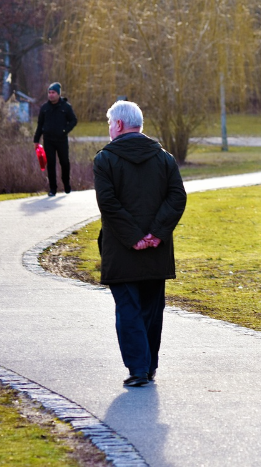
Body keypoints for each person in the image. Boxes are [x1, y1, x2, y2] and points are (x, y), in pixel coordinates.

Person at [93, 101, 187, 387]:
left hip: (121, 250)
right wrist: (156, 234)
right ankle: (148, 366)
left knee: (128, 310)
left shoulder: (105, 159)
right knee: (151, 309)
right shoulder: (164, 158)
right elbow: (177, 197)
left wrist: (135, 237)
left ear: (119, 125)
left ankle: (138, 368)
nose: (109, 128)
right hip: (157, 251)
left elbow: (108, 203)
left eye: (110, 123)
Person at [34, 82, 78, 196]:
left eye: (53, 92)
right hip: (48, 140)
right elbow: (40, 125)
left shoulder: (66, 107)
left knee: (64, 162)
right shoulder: (44, 108)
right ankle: (52, 189)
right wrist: (36, 140)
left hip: (61, 140)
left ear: (58, 94)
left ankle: (66, 184)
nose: (51, 95)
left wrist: (65, 130)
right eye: (49, 92)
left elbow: (73, 120)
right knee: (51, 164)